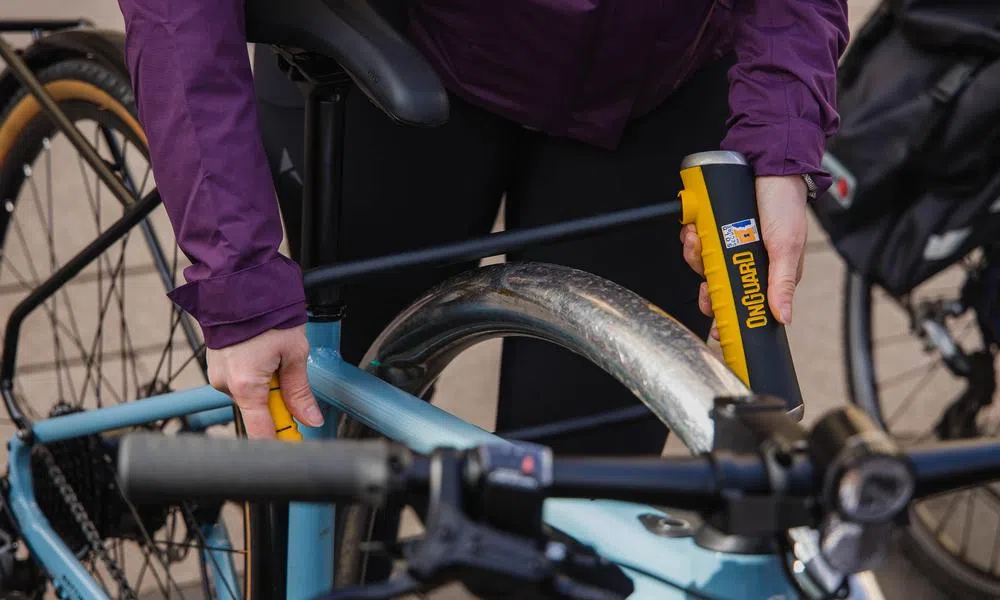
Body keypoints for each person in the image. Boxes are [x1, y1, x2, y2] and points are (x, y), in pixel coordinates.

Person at [117, 0, 848, 453]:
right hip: (396, 50)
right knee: (336, 464)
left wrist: (777, 147)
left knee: (580, 506)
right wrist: (237, 269)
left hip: (656, 74)